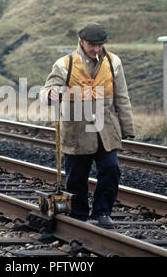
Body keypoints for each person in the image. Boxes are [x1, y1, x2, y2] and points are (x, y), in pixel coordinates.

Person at [40, 22, 135, 228]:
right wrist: (51, 93)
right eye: (92, 45)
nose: (96, 49)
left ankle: (103, 212)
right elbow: (46, 89)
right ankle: (80, 215)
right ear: (81, 42)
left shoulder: (113, 62)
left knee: (111, 169)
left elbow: (122, 97)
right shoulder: (65, 64)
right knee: (77, 177)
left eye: (100, 45)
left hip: (105, 130)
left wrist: (127, 128)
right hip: (76, 131)